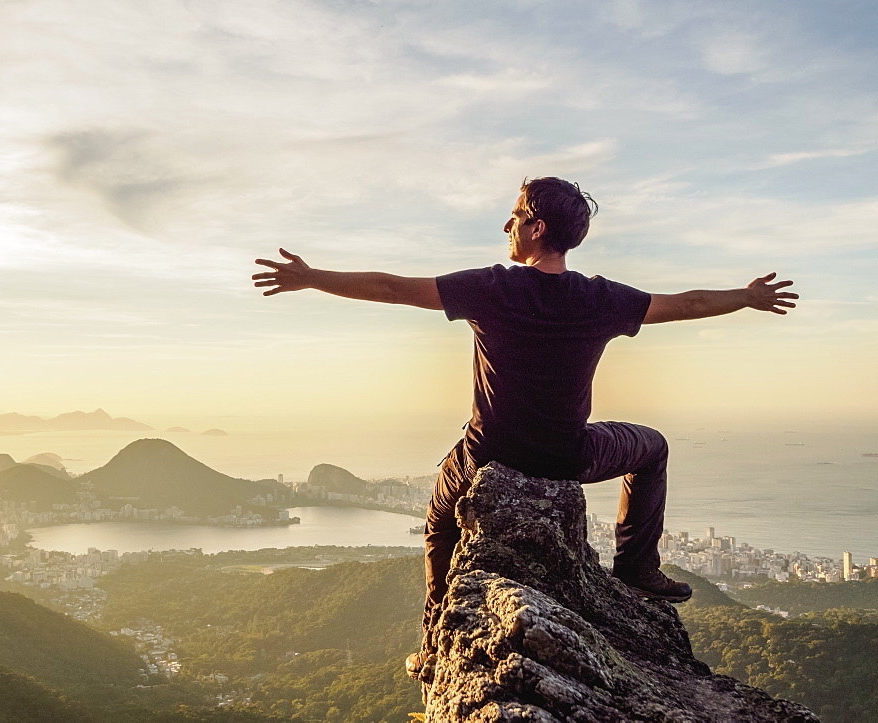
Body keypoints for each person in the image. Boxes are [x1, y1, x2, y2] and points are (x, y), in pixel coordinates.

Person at [251, 176, 798, 674]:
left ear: (537, 228)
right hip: (568, 455)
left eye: (515, 215)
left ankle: (436, 638)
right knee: (651, 448)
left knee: (441, 526)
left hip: (487, 455)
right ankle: (636, 566)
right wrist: (748, 298)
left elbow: (394, 288)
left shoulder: (493, 288)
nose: (507, 224)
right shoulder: (599, 298)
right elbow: (689, 303)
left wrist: (312, 277)